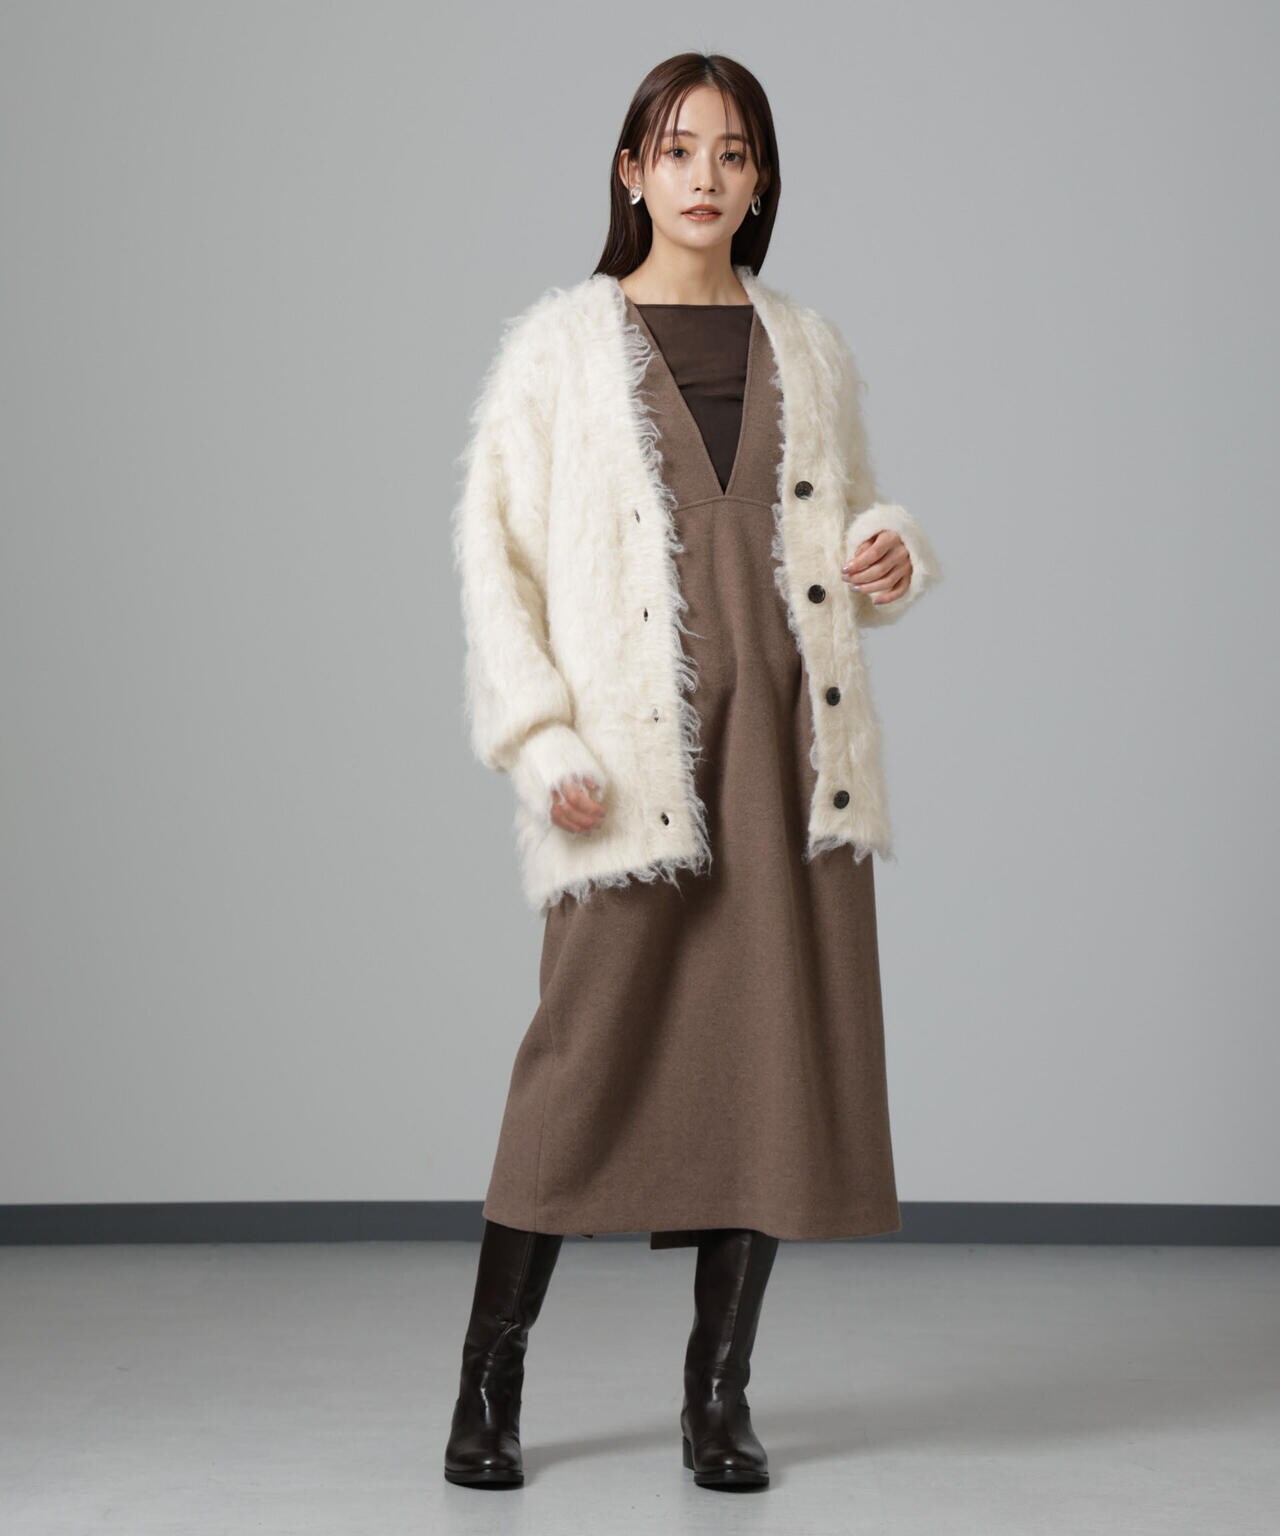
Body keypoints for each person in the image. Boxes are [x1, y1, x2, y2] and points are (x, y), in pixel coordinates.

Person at [444, 52, 941, 1492]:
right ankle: (489, 1381)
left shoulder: (809, 345)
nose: (704, 178)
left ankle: (718, 1397)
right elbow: (496, 562)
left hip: (789, 755)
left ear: (761, 178)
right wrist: (541, 738)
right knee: (578, 1060)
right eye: (677, 150)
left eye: (731, 153)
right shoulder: (560, 348)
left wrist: (889, 551)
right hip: (632, 768)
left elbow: (848, 520)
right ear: (631, 172)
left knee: (767, 1064)